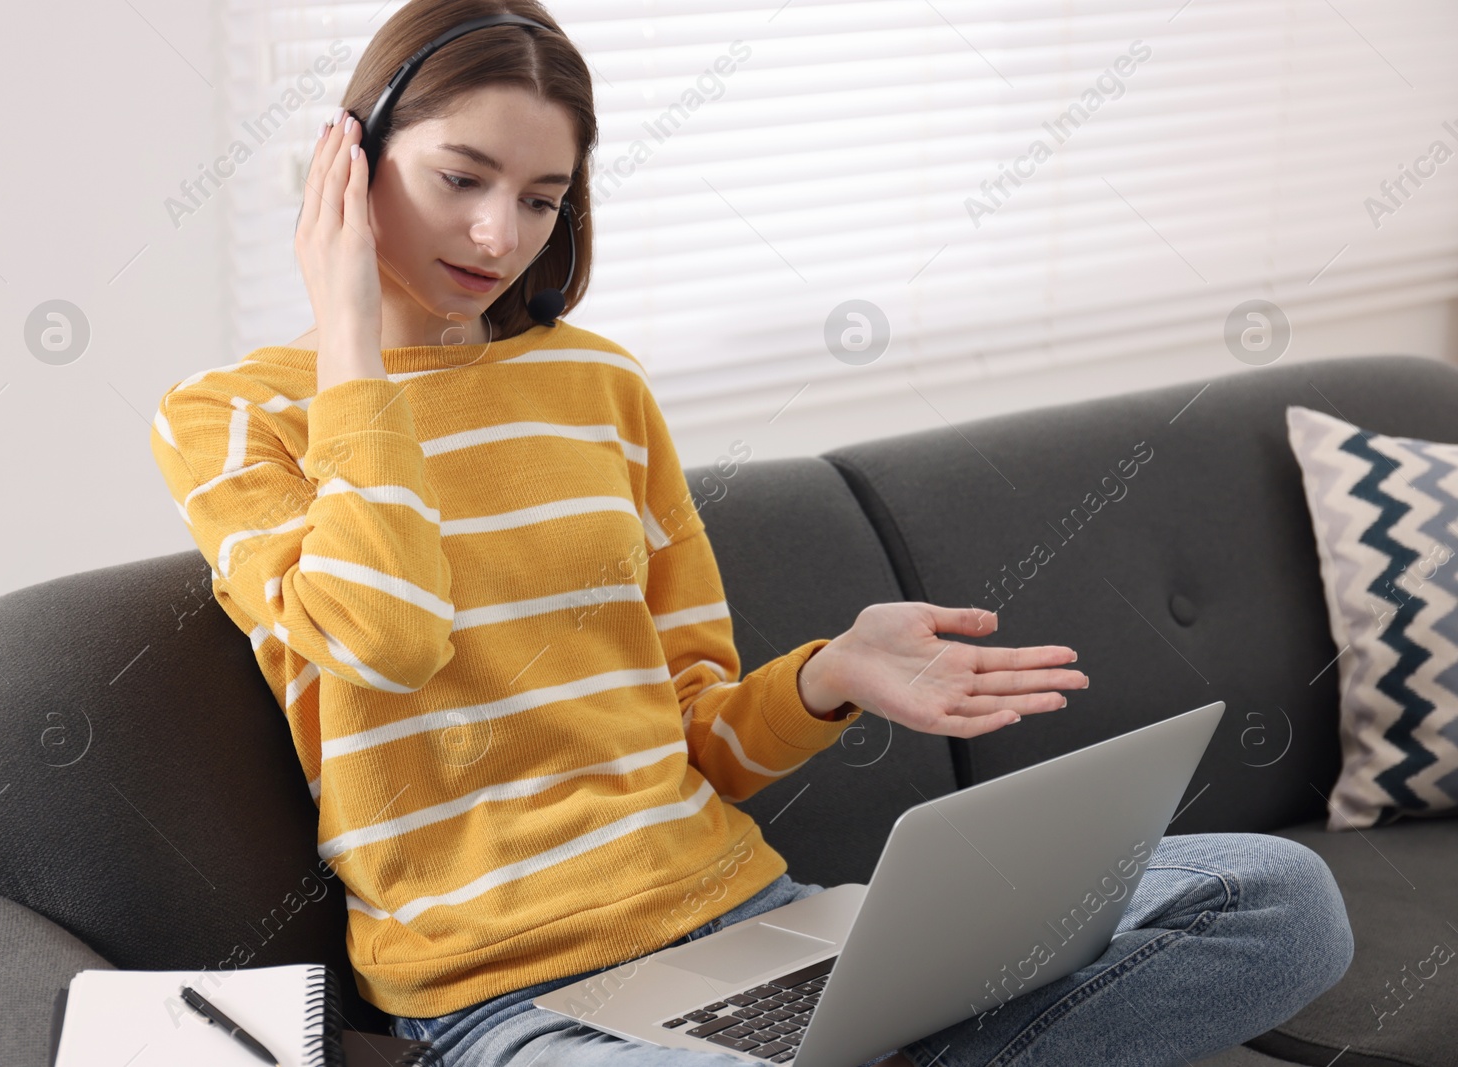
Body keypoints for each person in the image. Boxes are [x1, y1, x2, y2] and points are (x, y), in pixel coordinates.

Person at [149, 2, 1355, 1064]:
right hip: (502, 991)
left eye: (540, 198)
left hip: (745, 917)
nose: (496, 238)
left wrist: (828, 677)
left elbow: (694, 738)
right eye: (459, 179)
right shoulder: (232, 418)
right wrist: (352, 341)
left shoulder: (597, 388)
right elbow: (388, 637)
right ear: (346, 166)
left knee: (1274, 895)